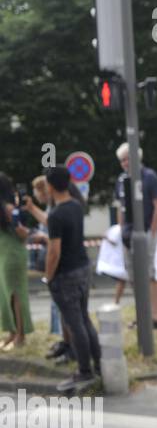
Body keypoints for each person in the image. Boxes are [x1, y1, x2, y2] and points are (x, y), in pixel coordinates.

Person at [42, 166, 102, 392]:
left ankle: (84, 371)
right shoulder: (76, 207)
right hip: (82, 268)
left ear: (49, 186)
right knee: (84, 320)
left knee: (74, 323)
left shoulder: (56, 215)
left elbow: (54, 251)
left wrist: (49, 276)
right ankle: (99, 365)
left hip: (65, 273)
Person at [114, 143, 157, 329]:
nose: (125, 163)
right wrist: (121, 230)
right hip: (128, 233)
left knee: (151, 274)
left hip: (146, 231)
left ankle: (154, 315)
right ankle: (141, 314)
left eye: (128, 158)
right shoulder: (121, 180)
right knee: (134, 276)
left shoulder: (149, 177)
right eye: (122, 160)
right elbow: (120, 207)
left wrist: (152, 232)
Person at [22, 177, 65, 359]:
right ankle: (61, 336)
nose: (35, 195)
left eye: (37, 192)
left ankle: (63, 338)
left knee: (60, 300)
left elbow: (54, 238)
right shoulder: (55, 207)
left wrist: (42, 238)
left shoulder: (57, 208)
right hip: (57, 259)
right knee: (58, 300)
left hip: (59, 262)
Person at [0, 173, 36, 352]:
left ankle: (20, 335)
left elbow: (21, 232)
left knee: (15, 294)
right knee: (6, 295)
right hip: (5, 253)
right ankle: (12, 333)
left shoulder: (8, 208)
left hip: (13, 253)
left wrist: (28, 232)